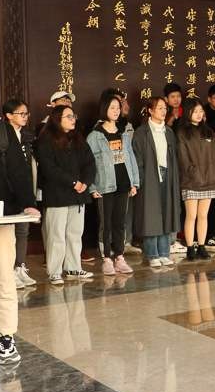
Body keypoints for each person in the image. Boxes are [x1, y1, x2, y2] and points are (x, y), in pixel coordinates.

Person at [0, 66, 37, 363]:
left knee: (3, 278)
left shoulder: (0, 129)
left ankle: (6, 337)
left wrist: (28, 202)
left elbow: (18, 169)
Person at [36, 104, 96, 284]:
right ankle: (54, 271)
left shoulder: (78, 138)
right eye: (68, 116)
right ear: (57, 119)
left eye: (73, 116)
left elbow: (90, 163)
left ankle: (73, 267)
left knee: (75, 233)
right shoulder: (46, 140)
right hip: (57, 195)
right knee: (56, 235)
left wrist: (85, 182)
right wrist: (73, 182)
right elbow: (49, 168)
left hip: (78, 194)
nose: (73, 119)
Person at [86, 93, 138, 275]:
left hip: (123, 184)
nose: (116, 111)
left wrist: (134, 182)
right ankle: (106, 258)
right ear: (104, 109)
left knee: (120, 222)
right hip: (105, 185)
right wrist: (92, 187)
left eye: (118, 108)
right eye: (112, 108)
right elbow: (88, 164)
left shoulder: (123, 133)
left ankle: (120, 257)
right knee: (105, 224)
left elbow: (131, 158)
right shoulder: (95, 136)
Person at [132, 97, 182, 268]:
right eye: (159, 108)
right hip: (150, 175)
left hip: (167, 174)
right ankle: (152, 254)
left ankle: (164, 252)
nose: (163, 111)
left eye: (164, 108)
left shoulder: (169, 132)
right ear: (150, 111)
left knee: (167, 213)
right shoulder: (142, 132)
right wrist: (140, 179)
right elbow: (137, 158)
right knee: (151, 215)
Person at [177, 97, 215, 261]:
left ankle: (201, 246)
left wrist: (214, 173)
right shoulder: (182, 132)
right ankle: (190, 247)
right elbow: (182, 158)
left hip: (209, 180)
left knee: (203, 215)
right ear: (187, 113)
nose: (199, 114)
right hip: (191, 181)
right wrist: (193, 173)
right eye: (195, 111)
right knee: (191, 215)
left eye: (201, 111)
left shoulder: (208, 131)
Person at [0, 99, 37, 289]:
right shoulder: (1, 135)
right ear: (8, 115)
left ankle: (19, 267)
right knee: (7, 233)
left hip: (26, 188)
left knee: (23, 230)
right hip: (7, 191)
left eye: (26, 113)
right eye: (20, 113)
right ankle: (8, 272)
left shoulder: (27, 136)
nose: (25, 117)